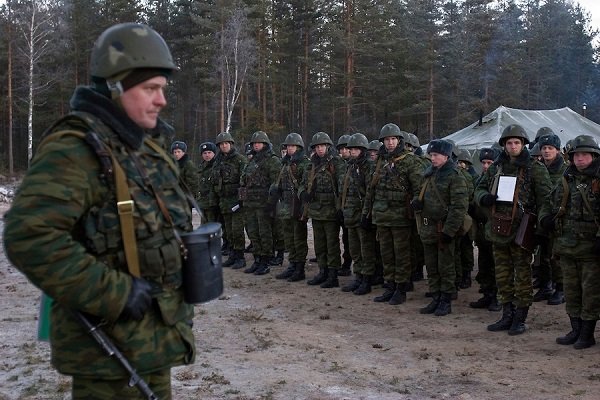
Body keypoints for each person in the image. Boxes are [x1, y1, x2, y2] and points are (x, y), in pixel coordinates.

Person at [3, 23, 194, 398]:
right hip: (111, 351)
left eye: (162, 90)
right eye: (150, 89)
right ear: (115, 86)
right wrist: (114, 293)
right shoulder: (76, 149)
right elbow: (29, 236)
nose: (161, 101)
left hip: (155, 341)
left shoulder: (143, 146)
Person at [475, 124, 551, 335]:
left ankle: (520, 317)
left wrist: (539, 227)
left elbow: (546, 199)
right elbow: (479, 188)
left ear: (524, 144)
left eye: (517, 142)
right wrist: (484, 198)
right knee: (502, 274)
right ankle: (506, 313)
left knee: (522, 275)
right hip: (499, 228)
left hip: (521, 230)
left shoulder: (535, 168)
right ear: (504, 146)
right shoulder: (496, 167)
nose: (513, 146)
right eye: (509, 143)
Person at [540, 134, 600, 349]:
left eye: (584, 155)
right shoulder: (566, 179)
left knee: (591, 293)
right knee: (572, 291)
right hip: (566, 246)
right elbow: (549, 202)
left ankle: (587, 333)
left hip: (591, 249)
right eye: (576, 155)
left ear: (593, 156)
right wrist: (544, 219)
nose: (580, 159)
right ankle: (575, 329)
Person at [363, 123, 423, 305]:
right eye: (387, 139)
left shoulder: (411, 161)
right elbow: (370, 191)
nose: (390, 143)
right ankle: (389, 286)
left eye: (393, 139)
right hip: (381, 216)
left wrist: (415, 209)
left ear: (399, 140)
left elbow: (419, 189)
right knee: (386, 254)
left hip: (401, 218)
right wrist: (366, 214)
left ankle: (401, 287)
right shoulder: (379, 162)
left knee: (401, 254)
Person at [412, 140, 468, 316]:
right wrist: (417, 202)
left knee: (446, 266)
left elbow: (459, 207)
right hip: (428, 228)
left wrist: (449, 231)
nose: (432, 158)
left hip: (443, 229)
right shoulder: (429, 174)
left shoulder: (454, 176)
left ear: (446, 156)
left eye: (436, 155)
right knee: (432, 266)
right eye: (431, 155)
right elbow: (421, 193)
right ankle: (435, 297)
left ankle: (446, 299)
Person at [300, 132, 345, 288]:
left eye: (322, 146)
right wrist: (303, 193)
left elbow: (342, 186)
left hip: (331, 211)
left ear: (328, 147)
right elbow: (303, 183)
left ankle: (333, 275)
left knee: (331, 244)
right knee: (319, 244)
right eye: (317, 147)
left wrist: (341, 207)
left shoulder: (336, 163)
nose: (320, 149)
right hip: (316, 210)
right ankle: (323, 271)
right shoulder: (311, 164)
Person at [339, 133, 378, 295]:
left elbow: (370, 192)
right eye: (351, 149)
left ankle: (367, 280)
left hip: (362, 213)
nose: (353, 152)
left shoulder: (369, 167)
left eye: (356, 149)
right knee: (354, 249)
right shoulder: (350, 166)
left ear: (363, 150)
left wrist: (366, 214)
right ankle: (359, 277)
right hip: (350, 213)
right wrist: (342, 209)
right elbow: (345, 191)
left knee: (366, 249)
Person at [240, 130, 281, 275]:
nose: (256, 145)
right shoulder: (252, 160)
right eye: (254, 143)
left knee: (265, 233)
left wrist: (271, 203)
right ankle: (257, 259)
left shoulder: (272, 160)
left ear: (265, 144)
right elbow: (244, 179)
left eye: (259, 143)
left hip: (263, 204)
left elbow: (276, 183)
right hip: (250, 204)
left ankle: (265, 260)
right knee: (253, 233)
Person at [271, 132, 311, 282]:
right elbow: (280, 181)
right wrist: (275, 189)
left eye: (293, 146)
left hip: (298, 204)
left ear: (299, 147)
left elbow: (306, 184)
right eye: (288, 146)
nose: (290, 148)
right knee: (288, 236)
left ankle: (299, 268)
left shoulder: (304, 163)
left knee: (298, 236)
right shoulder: (285, 163)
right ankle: (292, 264)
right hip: (285, 204)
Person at [533, 132, 567, 305]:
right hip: (541, 218)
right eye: (544, 148)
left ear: (558, 151)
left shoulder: (565, 171)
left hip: (558, 220)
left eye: (550, 148)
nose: (546, 151)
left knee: (556, 255)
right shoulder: (538, 169)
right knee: (542, 254)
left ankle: (561, 289)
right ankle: (545, 286)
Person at [469, 147, 501, 311]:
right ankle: (487, 294)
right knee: (484, 264)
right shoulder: (480, 180)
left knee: (497, 266)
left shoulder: (500, 180)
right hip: (482, 231)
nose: (486, 166)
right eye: (484, 162)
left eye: (490, 162)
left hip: (495, 230)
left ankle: (498, 298)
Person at [213, 131, 248, 269]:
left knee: (237, 230)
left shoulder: (240, 160)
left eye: (226, 143)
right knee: (228, 230)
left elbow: (245, 181)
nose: (224, 146)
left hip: (236, 201)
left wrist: (241, 200)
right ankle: (233, 255)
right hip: (224, 200)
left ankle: (240, 257)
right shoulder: (218, 161)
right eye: (221, 144)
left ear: (231, 144)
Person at [336, 134, 353, 275]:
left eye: (345, 148)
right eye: (341, 149)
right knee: (346, 238)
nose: (343, 151)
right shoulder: (341, 165)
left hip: (355, 210)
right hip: (344, 208)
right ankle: (346, 264)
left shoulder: (357, 165)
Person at [197, 141, 219, 222]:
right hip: (202, 203)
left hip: (213, 204)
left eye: (209, 152)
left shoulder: (217, 166)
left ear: (214, 153)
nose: (207, 155)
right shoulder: (201, 167)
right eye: (204, 153)